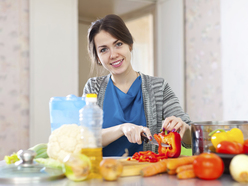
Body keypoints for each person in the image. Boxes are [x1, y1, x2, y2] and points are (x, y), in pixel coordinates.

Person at [83, 14, 191, 157]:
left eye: (118, 44)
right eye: (104, 49)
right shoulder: (93, 88)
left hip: (150, 174)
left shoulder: (159, 87)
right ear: (97, 57)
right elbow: (85, 138)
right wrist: (122, 128)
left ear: (130, 44)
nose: (113, 54)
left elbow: (191, 139)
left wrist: (183, 127)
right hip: (104, 174)